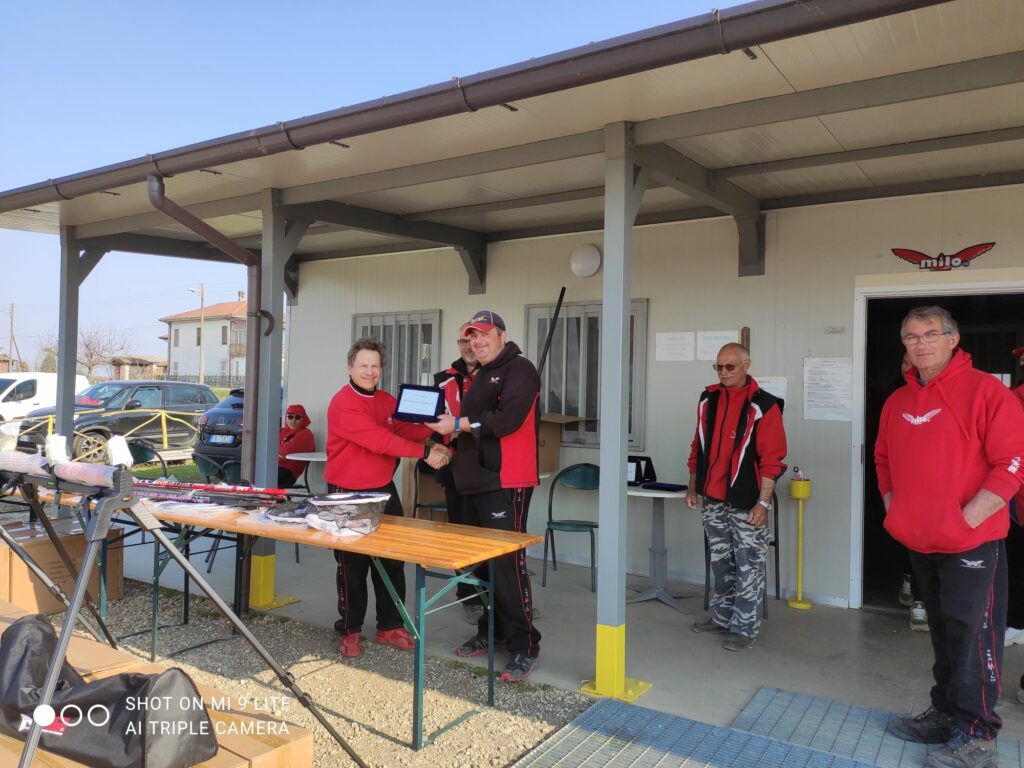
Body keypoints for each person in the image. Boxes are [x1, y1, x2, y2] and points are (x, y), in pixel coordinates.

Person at [877, 306, 1024, 768]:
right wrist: (894, 507)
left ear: (953, 339)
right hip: (920, 540)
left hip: (971, 543)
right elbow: (883, 460)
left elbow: (1012, 464)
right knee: (940, 630)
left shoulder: (988, 392)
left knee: (974, 634)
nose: (921, 343)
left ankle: (979, 735)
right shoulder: (897, 402)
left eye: (931, 334)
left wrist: (968, 519)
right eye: (911, 337)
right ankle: (944, 715)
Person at [427, 310, 542, 682]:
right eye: (471, 336)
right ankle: (492, 632)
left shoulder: (520, 370)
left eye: (484, 335)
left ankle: (525, 644)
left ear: (502, 336)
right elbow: (469, 430)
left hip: (505, 482)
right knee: (480, 568)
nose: (477, 342)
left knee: (507, 566)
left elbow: (506, 420)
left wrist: (458, 425)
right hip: (471, 483)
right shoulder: (480, 376)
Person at [325, 337, 449, 658]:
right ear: (350, 367)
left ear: (382, 369)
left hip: (383, 488)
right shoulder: (343, 403)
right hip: (348, 492)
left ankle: (390, 625)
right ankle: (350, 630)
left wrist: (433, 426)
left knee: (393, 560)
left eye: (375, 366)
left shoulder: (386, 400)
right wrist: (426, 452)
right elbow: (379, 440)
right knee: (353, 566)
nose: (369, 371)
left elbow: (402, 430)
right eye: (363, 365)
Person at [686, 342, 787, 652]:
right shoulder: (708, 399)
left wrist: (764, 502)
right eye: (719, 367)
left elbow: (772, 458)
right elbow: (697, 448)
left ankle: (743, 628)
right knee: (721, 561)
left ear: (746, 365)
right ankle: (721, 617)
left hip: (746, 502)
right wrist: (693, 485)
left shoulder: (764, 405)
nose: (724, 372)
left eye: (730, 366)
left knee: (749, 563)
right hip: (713, 499)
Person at [429, 322, 482, 622]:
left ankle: (498, 598)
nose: (467, 346)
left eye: (472, 340)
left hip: (488, 468)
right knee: (460, 531)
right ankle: (468, 596)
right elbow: (433, 424)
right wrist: (440, 449)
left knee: (487, 535)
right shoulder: (442, 380)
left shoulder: (495, 375)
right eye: (462, 341)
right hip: (455, 467)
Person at [277, 404, 315, 488]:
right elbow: (267, 447)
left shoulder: (306, 434)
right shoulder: (281, 431)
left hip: (288, 472)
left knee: (267, 480)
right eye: (290, 417)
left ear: (303, 419)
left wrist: (278, 450)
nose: (293, 420)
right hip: (274, 467)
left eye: (297, 417)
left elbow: (285, 451)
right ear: (286, 418)